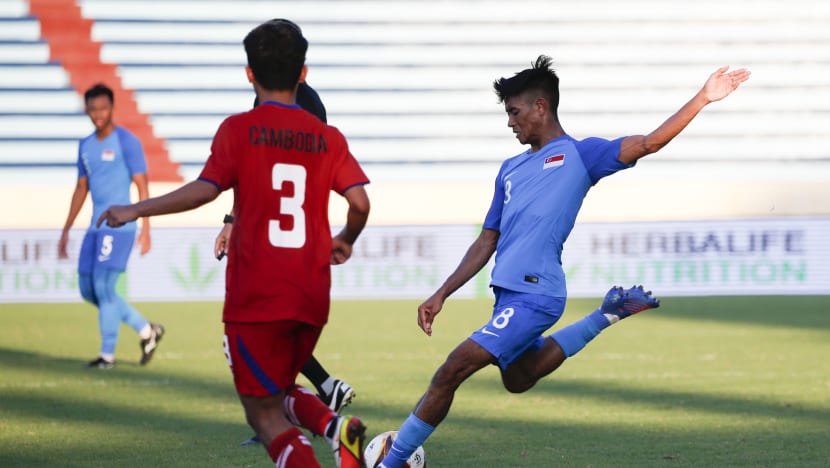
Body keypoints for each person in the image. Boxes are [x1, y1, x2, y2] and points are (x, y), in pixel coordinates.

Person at [378, 56, 751, 467]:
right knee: (519, 377)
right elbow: (487, 240)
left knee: (452, 370)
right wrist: (442, 293)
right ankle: (606, 315)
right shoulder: (509, 169)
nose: (510, 123)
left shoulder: (580, 155)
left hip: (536, 294)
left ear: (541, 107)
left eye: (514, 112)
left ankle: (391, 463)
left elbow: (649, 143)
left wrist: (703, 97)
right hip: (508, 298)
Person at [97, 19, 371, 468]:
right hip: (311, 292)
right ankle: (334, 426)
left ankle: (327, 430)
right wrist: (346, 239)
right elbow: (359, 203)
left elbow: (204, 189)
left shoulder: (238, 130)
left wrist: (135, 209)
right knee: (278, 389)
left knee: (264, 416)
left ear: (249, 73)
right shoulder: (328, 137)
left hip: (256, 292)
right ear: (303, 73)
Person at [217, 80, 355, 447]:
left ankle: (297, 419)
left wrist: (137, 211)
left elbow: (252, 176)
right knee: (270, 343)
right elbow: (357, 201)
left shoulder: (281, 109)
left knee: (252, 344)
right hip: (296, 250)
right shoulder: (305, 110)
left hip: (275, 250)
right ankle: (326, 396)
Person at [58, 83, 165, 369]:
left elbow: (142, 186)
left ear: (112, 108)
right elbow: (81, 188)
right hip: (95, 227)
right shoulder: (85, 146)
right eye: (93, 109)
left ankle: (107, 355)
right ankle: (147, 330)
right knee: (88, 289)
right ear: (86, 110)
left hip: (120, 227)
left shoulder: (127, 142)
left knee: (104, 287)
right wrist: (66, 230)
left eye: (103, 108)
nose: (98, 114)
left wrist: (146, 229)